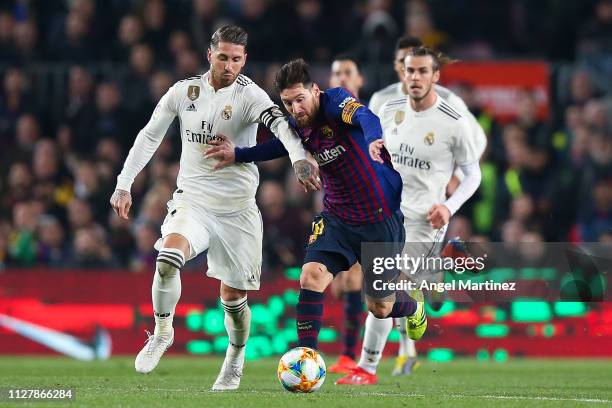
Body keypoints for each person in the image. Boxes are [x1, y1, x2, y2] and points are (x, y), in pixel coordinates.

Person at [109, 25, 318, 391]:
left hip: (237, 211)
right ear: (209, 55)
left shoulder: (250, 95)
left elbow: (284, 129)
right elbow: (149, 135)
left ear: (245, 60)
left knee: (233, 300)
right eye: (223, 57)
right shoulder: (184, 91)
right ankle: (161, 332)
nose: (229, 66)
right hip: (194, 201)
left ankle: (234, 359)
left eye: (236, 59)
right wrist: (124, 183)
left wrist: (299, 158)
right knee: (167, 258)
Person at [206, 58, 428, 357]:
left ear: (315, 90)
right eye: (288, 103)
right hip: (337, 217)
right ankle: (305, 358)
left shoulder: (335, 101)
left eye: (300, 99)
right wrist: (239, 154)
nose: (296, 108)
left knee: (379, 306)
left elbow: (365, 116)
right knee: (310, 275)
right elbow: (278, 145)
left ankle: (413, 304)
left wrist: (374, 139)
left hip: (379, 219)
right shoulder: (296, 124)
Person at [337, 46, 482, 385]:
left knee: (384, 288)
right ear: (401, 73)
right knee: (378, 297)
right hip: (386, 216)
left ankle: (366, 368)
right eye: (409, 70)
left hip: (424, 223)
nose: (414, 77)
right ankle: (417, 302)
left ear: (435, 76)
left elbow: (473, 175)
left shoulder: (453, 122)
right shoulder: (389, 110)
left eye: (422, 71)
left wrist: (449, 206)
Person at [326, 54, 366, 373]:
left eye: (347, 72)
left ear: (359, 80)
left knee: (357, 280)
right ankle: (350, 355)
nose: (341, 77)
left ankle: (350, 355)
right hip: (339, 212)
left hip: (375, 212)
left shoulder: (368, 118)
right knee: (343, 285)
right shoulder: (323, 123)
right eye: (336, 72)